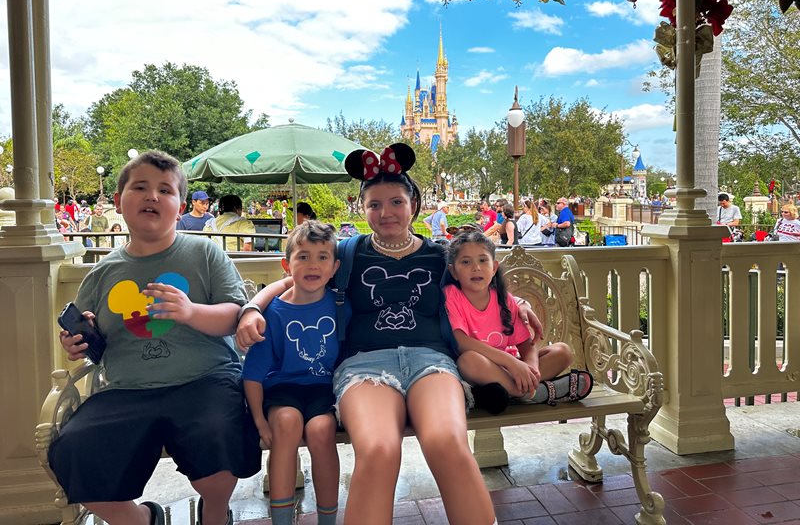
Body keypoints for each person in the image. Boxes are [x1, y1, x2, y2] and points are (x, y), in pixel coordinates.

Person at [237, 143, 544, 525]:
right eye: (375, 205)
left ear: (413, 204)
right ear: (363, 210)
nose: (386, 213)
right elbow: (292, 278)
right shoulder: (347, 252)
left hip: (431, 362)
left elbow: (479, 283)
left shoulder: (439, 255)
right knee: (379, 448)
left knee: (447, 442)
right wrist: (253, 307)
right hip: (364, 366)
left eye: (396, 202)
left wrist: (519, 305)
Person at [49, 150, 261, 525]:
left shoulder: (205, 254)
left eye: (165, 190)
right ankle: (143, 520)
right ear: (118, 201)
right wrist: (77, 343)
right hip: (125, 389)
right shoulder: (101, 273)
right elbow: (85, 349)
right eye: (141, 187)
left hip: (205, 381)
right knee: (74, 449)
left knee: (218, 434)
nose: (152, 196)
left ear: (180, 207)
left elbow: (234, 316)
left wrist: (190, 312)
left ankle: (214, 513)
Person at [242, 221, 347, 525]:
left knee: (321, 430)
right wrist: (260, 420)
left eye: (322, 257)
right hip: (282, 390)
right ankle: (282, 520)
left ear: (334, 266)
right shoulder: (273, 312)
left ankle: (328, 519)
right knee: (287, 423)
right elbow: (253, 373)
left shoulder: (340, 305)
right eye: (303, 256)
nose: (313, 265)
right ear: (286, 265)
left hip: (324, 389)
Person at [444, 231, 593, 414]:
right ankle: (533, 393)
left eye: (483, 260)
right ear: (453, 271)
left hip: (510, 371)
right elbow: (461, 342)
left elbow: (526, 344)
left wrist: (531, 369)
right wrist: (511, 363)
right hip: (480, 371)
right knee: (468, 360)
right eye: (466, 262)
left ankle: (523, 387)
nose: (476, 267)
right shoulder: (452, 295)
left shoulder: (504, 299)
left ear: (494, 267)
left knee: (563, 351)